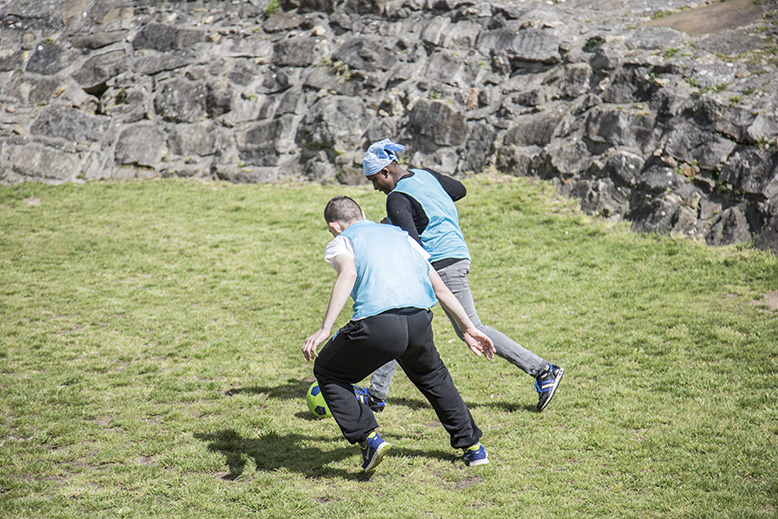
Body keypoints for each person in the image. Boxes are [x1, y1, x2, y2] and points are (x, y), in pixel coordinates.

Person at [357, 138, 564, 414]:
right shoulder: (424, 176)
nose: (375, 187)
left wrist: (389, 226)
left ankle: (543, 370)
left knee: (471, 328)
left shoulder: (396, 198)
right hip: (456, 253)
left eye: (374, 180)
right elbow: (459, 189)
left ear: (385, 172)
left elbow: (412, 244)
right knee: (399, 316)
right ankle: (376, 395)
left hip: (441, 263)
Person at [302, 195, 496, 472]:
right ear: (364, 213)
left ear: (334, 226)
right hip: (418, 321)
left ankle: (368, 439)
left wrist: (325, 329)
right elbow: (439, 288)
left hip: (379, 325)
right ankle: (473, 448)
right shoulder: (401, 235)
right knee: (433, 378)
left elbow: (348, 274)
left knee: (328, 371)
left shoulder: (343, 240)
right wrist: (469, 328)